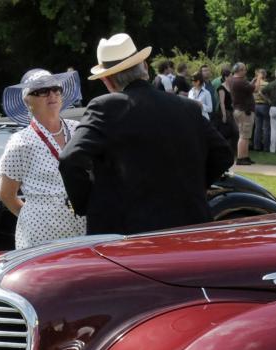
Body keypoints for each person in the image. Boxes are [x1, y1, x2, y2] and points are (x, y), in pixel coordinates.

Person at [59, 33, 233, 235]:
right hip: (188, 229)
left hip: (128, 235)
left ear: (107, 80)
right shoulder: (187, 107)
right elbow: (223, 154)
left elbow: (70, 158)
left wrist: (87, 203)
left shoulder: (105, 108)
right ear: (145, 68)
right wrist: (191, 187)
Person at [0, 69, 87, 249]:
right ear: (27, 99)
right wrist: (36, 215)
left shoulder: (79, 129)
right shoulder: (20, 142)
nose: (52, 94)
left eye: (56, 89)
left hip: (84, 228)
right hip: (42, 236)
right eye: (42, 91)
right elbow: (6, 194)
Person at [228, 63, 256, 165]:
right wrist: (260, 78)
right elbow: (255, 89)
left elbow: (248, 87)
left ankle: (245, 156)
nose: (245, 71)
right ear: (239, 71)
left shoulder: (233, 80)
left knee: (245, 135)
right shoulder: (240, 81)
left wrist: (252, 81)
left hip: (239, 110)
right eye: (244, 69)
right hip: (244, 111)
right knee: (244, 136)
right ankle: (240, 158)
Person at [252, 68, 270, 152]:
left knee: (257, 128)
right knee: (266, 127)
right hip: (264, 105)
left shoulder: (254, 85)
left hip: (256, 105)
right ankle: (266, 147)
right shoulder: (267, 84)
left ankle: (256, 146)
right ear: (264, 75)